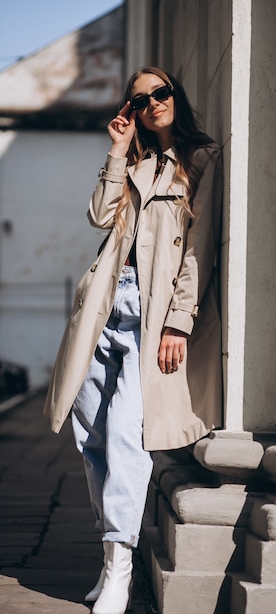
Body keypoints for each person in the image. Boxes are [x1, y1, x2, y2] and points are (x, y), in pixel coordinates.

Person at [43, 66, 223, 614]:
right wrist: (118, 150)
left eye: (160, 93)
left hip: (150, 317)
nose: (152, 104)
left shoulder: (201, 162)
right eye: (140, 100)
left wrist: (178, 321)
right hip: (104, 310)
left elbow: (199, 249)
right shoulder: (134, 164)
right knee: (91, 438)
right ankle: (110, 559)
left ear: (176, 96)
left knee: (126, 436)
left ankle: (121, 564)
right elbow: (99, 216)